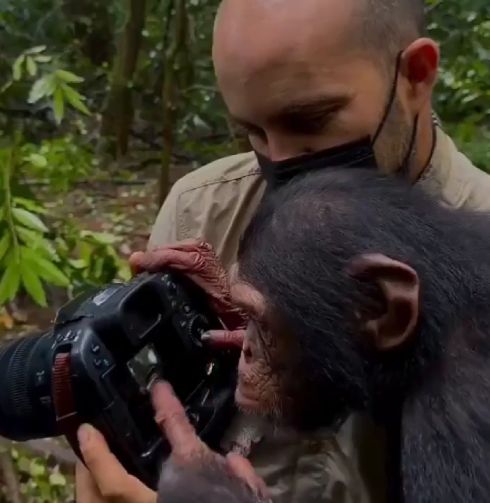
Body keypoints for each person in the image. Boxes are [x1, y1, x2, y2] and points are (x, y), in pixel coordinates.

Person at [76, 0, 490, 502]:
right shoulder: (204, 208)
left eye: (311, 120)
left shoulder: (464, 371)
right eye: (251, 131)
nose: (278, 161)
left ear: (415, 76)